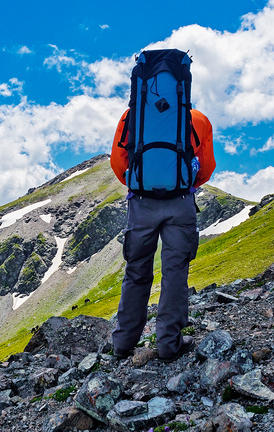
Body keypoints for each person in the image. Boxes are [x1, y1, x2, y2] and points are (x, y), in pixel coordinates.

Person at [109, 90, 215, 362]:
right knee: (175, 272)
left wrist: (140, 185)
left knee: (136, 271)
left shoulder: (132, 116)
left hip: (141, 203)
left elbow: (118, 162)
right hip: (180, 202)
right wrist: (183, 184)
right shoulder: (198, 119)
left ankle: (123, 343)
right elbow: (206, 167)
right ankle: (169, 344)